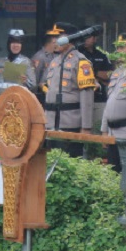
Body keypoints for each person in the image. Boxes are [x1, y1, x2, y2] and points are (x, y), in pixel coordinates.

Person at [41, 23, 98, 153]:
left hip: (70, 123)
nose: (54, 41)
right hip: (51, 123)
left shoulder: (81, 61)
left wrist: (86, 127)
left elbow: (87, 96)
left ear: (70, 38)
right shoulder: (54, 61)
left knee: (70, 159)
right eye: (53, 37)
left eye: (58, 37)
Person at [100, 33, 126, 170]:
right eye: (117, 47)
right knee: (113, 173)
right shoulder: (117, 72)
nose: (118, 51)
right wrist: (104, 131)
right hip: (112, 133)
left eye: (122, 47)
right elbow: (109, 103)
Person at [0, 29, 35, 108]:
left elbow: (33, 85)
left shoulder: (27, 62)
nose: (16, 45)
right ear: (8, 44)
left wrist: (26, 81)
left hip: (19, 105)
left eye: (19, 42)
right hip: (0, 103)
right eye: (13, 42)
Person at [78, 28, 114, 103]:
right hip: (80, 95)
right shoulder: (77, 54)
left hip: (99, 96)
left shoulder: (101, 55)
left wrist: (93, 72)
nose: (85, 40)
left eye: (88, 37)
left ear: (95, 38)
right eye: (83, 38)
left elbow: (110, 74)